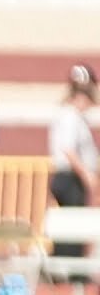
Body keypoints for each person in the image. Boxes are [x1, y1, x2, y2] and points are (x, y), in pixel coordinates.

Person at [47, 64, 98, 257]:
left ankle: (69, 266)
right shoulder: (69, 116)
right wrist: (86, 174)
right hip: (70, 177)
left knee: (74, 225)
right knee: (71, 226)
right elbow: (68, 150)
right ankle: (66, 269)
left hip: (73, 178)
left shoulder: (76, 117)